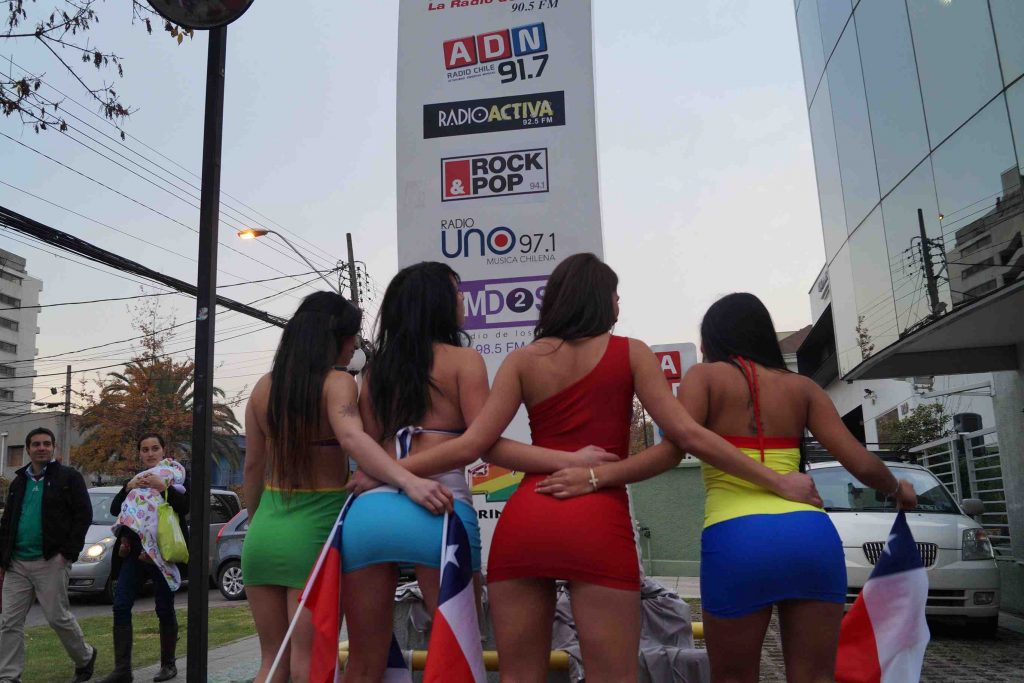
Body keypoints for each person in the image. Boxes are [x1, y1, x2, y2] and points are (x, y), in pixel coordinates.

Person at [408, 254, 822, 682]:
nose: (619, 302)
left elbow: (483, 445)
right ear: (598, 298)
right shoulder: (631, 352)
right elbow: (682, 439)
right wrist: (777, 481)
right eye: (615, 294)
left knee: (517, 676)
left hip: (528, 518)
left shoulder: (522, 360)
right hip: (598, 521)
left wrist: (391, 469)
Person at [539, 292, 918, 683]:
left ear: (715, 339)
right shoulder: (803, 388)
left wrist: (597, 476)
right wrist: (897, 488)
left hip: (737, 540)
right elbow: (861, 463)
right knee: (815, 677)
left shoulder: (703, 378)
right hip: (811, 538)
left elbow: (671, 452)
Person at [340, 262, 616, 681]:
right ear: (437, 302)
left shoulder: (375, 369)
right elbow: (483, 443)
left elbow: (370, 446)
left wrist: (386, 473)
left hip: (369, 514)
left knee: (363, 662)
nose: (462, 300)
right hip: (440, 510)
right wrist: (569, 459)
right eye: (456, 291)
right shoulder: (463, 361)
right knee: (457, 656)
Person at [241, 291, 454, 683]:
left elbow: (252, 466)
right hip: (314, 530)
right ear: (334, 337)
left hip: (263, 533)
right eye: (352, 335)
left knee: (272, 663)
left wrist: (256, 523)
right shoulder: (337, 382)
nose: (356, 343)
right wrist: (407, 479)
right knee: (309, 664)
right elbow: (354, 439)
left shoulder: (262, 387)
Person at [0, 427, 97, 683]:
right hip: (17, 563)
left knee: (57, 618)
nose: (41, 448)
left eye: (46, 443)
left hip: (51, 561)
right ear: (28, 449)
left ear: (53, 447)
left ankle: (85, 657)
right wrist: (3, 557)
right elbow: (8, 520)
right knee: (9, 622)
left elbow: (83, 515)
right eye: (36, 444)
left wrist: (68, 553)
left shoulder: (69, 478)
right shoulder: (18, 482)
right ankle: (8, 676)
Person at [99, 433, 189, 683]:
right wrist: (128, 487)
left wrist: (164, 488)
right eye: (145, 449)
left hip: (162, 554)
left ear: (163, 451)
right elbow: (117, 509)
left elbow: (185, 507)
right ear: (139, 453)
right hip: (134, 555)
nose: (150, 453)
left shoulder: (174, 477)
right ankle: (122, 670)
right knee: (121, 604)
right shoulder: (137, 480)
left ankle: (168, 665)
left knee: (164, 607)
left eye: (154, 448)